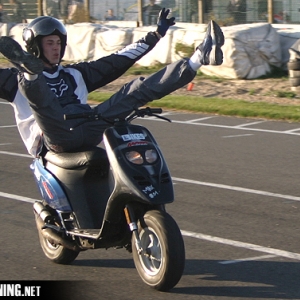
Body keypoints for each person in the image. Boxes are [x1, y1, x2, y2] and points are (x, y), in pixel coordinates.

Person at [0, 9, 224, 157]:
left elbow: (119, 59)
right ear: (34, 48)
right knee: (40, 97)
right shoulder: (11, 80)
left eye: (59, 42)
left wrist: (156, 35)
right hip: (53, 138)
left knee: (134, 91)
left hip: (89, 129)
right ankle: (31, 74)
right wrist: (27, 74)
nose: (56, 48)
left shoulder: (76, 74)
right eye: (49, 43)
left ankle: (198, 58)